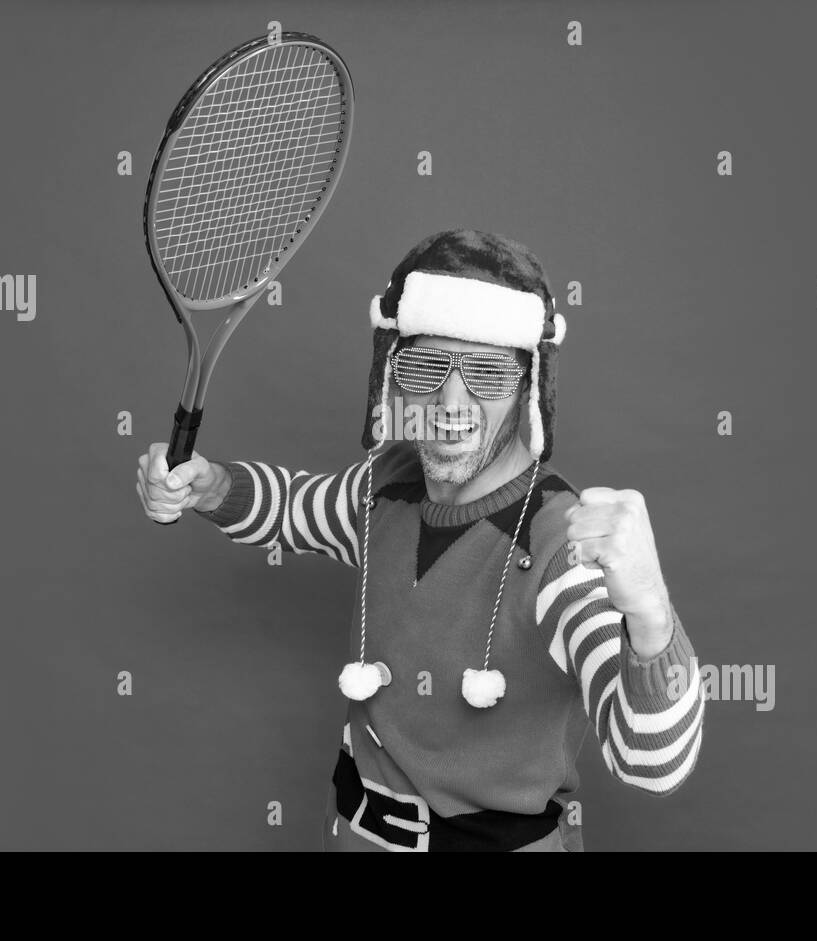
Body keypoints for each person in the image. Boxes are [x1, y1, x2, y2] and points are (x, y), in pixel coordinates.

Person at [137, 229, 705, 851]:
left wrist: (650, 614)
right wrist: (209, 486)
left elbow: (653, 765)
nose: (450, 403)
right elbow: (294, 507)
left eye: (488, 372)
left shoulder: (562, 547)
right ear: (393, 375)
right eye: (428, 365)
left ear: (528, 389)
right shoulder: (387, 486)